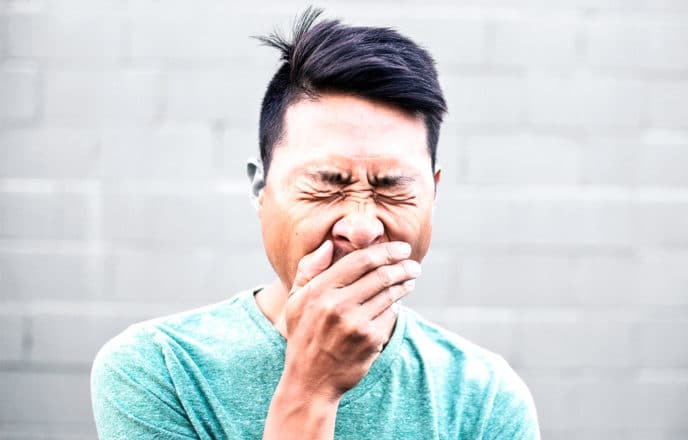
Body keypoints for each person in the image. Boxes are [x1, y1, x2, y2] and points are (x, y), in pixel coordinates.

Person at [90, 8, 540, 439]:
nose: (362, 228)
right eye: (326, 185)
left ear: (434, 194)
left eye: (391, 188)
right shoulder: (159, 370)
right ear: (260, 189)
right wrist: (311, 388)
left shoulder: (485, 399)